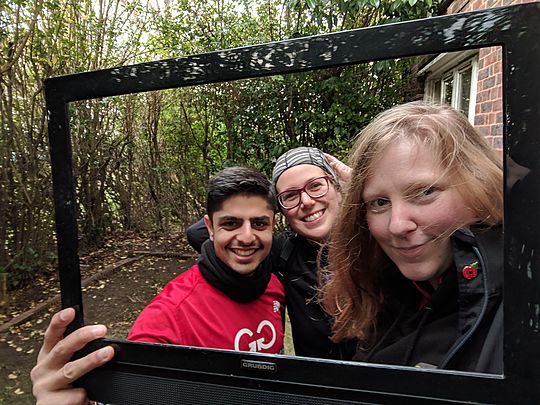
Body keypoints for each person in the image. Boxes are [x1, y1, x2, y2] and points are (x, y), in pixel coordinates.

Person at [31, 166, 285, 403]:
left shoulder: (273, 285)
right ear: (209, 228)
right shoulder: (168, 316)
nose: (247, 237)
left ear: (273, 225)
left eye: (259, 223)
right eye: (231, 223)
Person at [321, 101, 503, 373]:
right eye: (379, 202)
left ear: (481, 184)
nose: (397, 225)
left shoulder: (518, 315)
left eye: (424, 192)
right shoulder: (385, 294)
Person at [187, 147, 355, 359]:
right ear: (281, 210)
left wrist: (362, 190)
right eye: (290, 196)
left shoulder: (377, 240)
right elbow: (197, 234)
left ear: (338, 188)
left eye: (316, 186)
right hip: (317, 385)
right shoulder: (284, 252)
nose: (307, 201)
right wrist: (260, 200)